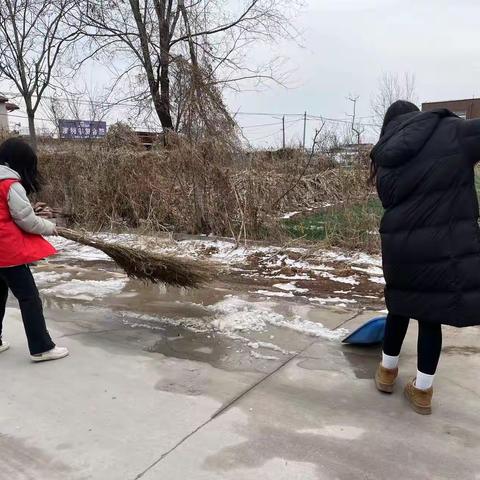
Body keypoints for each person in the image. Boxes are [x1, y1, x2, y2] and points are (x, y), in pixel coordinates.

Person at [370, 100, 480, 415]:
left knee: (400, 307)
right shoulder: (452, 132)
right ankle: (422, 391)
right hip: (441, 247)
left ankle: (386, 373)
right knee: (430, 316)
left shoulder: (385, 154)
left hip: (400, 248)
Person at [0, 137, 69, 362]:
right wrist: (50, 227)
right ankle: (41, 347)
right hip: (7, 253)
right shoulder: (10, 184)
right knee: (29, 297)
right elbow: (26, 220)